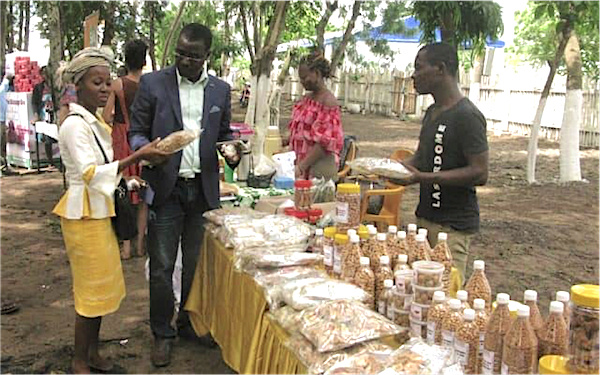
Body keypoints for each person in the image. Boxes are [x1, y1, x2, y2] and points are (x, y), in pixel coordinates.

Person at [52, 46, 171, 374]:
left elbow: (105, 167)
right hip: (84, 214)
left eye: (107, 82)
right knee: (90, 292)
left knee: (101, 289)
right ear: (78, 85)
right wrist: (137, 157)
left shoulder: (92, 122)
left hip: (99, 210)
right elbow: (90, 173)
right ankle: (79, 359)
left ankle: (92, 353)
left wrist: (129, 180)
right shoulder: (75, 125)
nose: (104, 89)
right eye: (96, 83)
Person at [128, 23, 236, 367]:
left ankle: (189, 322)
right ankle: (162, 333)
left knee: (195, 265)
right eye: (181, 54)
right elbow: (136, 132)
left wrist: (232, 150)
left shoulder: (220, 90)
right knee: (161, 267)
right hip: (166, 187)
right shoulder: (153, 83)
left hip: (202, 190)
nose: (186, 61)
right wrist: (147, 150)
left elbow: (224, 134)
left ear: (207, 56)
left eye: (193, 55)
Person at [393, 43, 489, 284]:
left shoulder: (467, 116)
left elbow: (480, 172)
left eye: (419, 67)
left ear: (441, 69)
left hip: (453, 226)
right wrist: (392, 169)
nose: (413, 75)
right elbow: (422, 159)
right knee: (420, 289)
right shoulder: (432, 112)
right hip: (425, 218)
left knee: (445, 293)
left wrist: (424, 178)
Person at [102, 39, 149, 260]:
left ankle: (127, 247)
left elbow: (106, 115)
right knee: (142, 195)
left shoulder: (118, 85)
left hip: (122, 139)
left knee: (122, 192)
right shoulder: (150, 84)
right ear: (144, 59)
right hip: (144, 140)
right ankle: (141, 244)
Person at [288, 51, 344, 181]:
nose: (302, 82)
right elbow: (300, 131)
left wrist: (301, 167)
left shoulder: (328, 102)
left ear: (317, 74)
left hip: (318, 170)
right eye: (300, 78)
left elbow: (323, 144)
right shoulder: (307, 99)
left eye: (305, 77)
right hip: (301, 166)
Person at [31, 66, 59, 168]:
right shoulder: (38, 87)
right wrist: (36, 114)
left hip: (54, 112)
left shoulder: (55, 87)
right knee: (47, 137)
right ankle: (50, 160)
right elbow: (34, 102)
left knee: (56, 135)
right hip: (44, 113)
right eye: (43, 74)